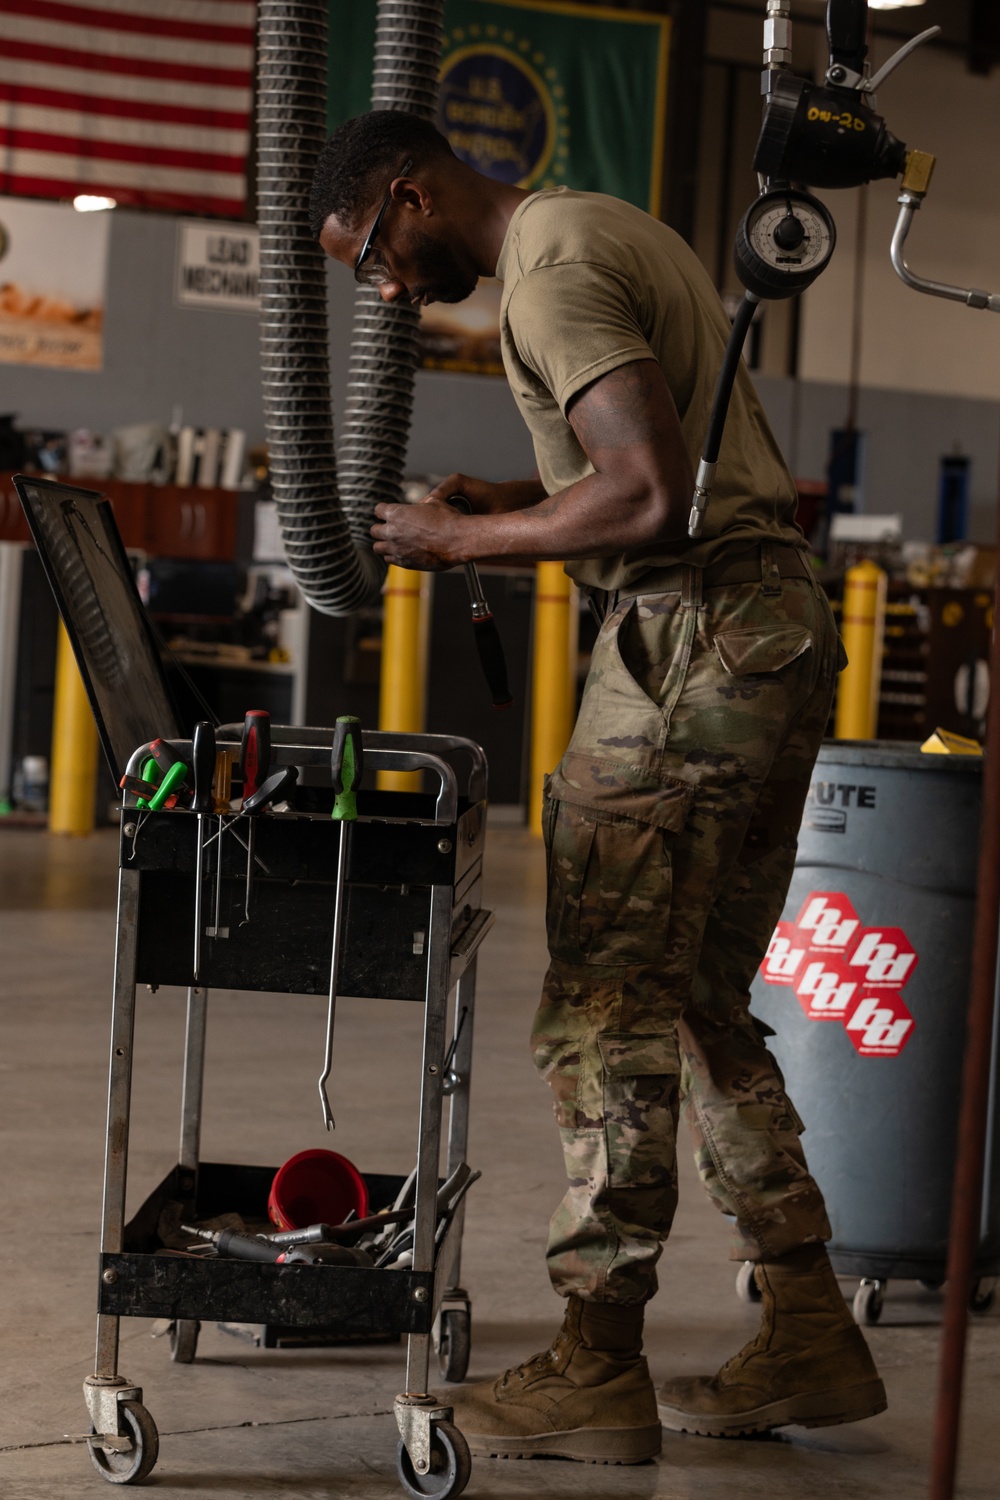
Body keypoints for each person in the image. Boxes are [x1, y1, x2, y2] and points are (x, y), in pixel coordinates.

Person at [310, 110, 885, 1466]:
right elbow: (660, 459)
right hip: (767, 630)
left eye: (374, 258)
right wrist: (516, 491)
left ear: (409, 196)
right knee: (692, 1003)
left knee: (603, 1006)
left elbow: (642, 497)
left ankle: (596, 1364)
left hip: (689, 639)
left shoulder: (550, 271)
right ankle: (806, 1323)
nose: (388, 290)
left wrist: (463, 539)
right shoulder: (601, 222)